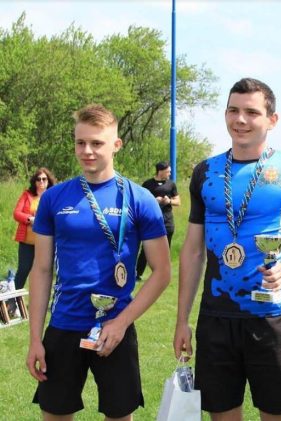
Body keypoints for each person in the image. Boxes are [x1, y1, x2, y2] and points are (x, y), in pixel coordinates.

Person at [173, 77, 281, 421]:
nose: (240, 120)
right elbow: (193, 251)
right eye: (233, 110)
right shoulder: (205, 172)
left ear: (272, 120)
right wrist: (182, 320)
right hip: (216, 317)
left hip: (268, 316)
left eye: (251, 112)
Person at [26, 104, 171, 420]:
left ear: (116, 145)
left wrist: (121, 323)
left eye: (96, 143)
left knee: (119, 415)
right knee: (54, 414)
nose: (87, 151)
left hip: (115, 326)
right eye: (81, 143)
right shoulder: (53, 198)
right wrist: (35, 338)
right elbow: (42, 269)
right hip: (64, 324)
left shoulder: (140, 199)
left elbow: (162, 272)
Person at [12, 167, 56, 290]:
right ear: (34, 181)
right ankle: (13, 298)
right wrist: (30, 219)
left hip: (46, 242)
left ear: (48, 181)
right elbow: (17, 213)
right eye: (38, 179)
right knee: (23, 269)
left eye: (44, 179)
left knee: (44, 270)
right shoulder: (27, 195)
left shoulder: (53, 196)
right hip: (27, 242)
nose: (41, 181)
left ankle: (40, 297)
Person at [136, 160, 180, 281]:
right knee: (146, 249)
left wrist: (169, 201)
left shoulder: (171, 184)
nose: (169, 174)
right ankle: (137, 274)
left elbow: (178, 201)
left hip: (167, 220)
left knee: (166, 249)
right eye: (168, 171)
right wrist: (153, 201)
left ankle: (163, 274)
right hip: (151, 220)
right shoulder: (147, 184)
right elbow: (140, 201)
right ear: (160, 171)